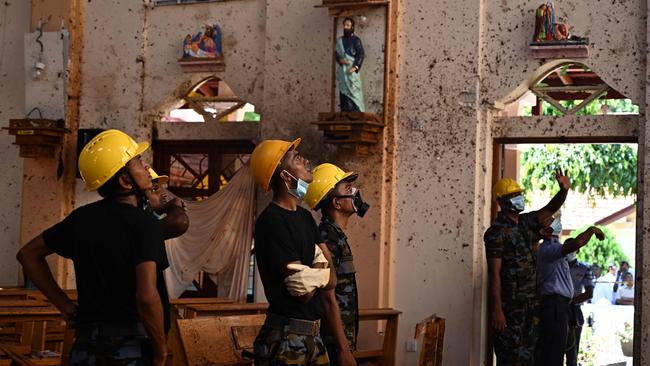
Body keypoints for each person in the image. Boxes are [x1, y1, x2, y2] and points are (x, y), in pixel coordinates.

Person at [16, 129, 169, 366]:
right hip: (130, 348)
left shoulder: (81, 218)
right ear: (125, 180)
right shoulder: (143, 223)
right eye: (137, 160)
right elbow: (147, 297)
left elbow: (28, 254)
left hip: (85, 348)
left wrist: (64, 305)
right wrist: (161, 352)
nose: (146, 165)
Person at [250, 138, 336, 366]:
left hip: (314, 337)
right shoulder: (271, 222)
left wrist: (316, 274)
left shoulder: (306, 218)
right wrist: (321, 268)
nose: (306, 160)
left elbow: (333, 279)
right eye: (297, 158)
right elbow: (303, 293)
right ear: (286, 177)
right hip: (286, 340)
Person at [484, 170, 570, 366]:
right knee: (511, 358)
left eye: (519, 194)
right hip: (510, 308)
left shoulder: (525, 223)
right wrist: (497, 309)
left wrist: (563, 191)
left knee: (531, 357)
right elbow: (494, 273)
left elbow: (550, 208)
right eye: (514, 196)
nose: (519, 198)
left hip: (531, 306)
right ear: (502, 201)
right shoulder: (496, 232)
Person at [305, 163, 371, 366]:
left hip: (340, 340)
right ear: (336, 203)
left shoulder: (336, 236)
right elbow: (327, 297)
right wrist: (343, 349)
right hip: (330, 343)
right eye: (346, 189)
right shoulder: (327, 238)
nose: (354, 192)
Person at [535, 218, 603, 366]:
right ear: (544, 231)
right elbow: (577, 243)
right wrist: (591, 230)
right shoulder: (549, 249)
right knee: (553, 353)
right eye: (550, 221)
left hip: (563, 307)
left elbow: (588, 292)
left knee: (562, 350)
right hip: (554, 306)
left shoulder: (555, 249)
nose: (555, 222)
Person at [565, 249, 594, 366]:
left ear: (578, 251)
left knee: (573, 349)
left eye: (573, 249)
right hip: (557, 308)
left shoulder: (584, 268)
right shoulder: (558, 266)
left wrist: (571, 302)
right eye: (568, 248)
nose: (570, 252)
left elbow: (589, 293)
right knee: (555, 348)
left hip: (574, 310)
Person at [145, 167, 189, 239]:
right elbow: (181, 221)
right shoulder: (137, 223)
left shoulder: (149, 218)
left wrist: (162, 210)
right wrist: (175, 207)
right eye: (154, 189)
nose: (165, 194)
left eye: (162, 188)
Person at [336, 17, 365, 112]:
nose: (345, 27)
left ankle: (356, 110)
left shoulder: (356, 40)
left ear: (352, 27)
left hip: (352, 71)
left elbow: (361, 54)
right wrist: (340, 60)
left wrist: (355, 67)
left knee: (354, 91)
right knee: (343, 91)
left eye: (348, 25)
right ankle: (345, 111)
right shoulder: (339, 40)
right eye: (344, 25)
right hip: (343, 71)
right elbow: (336, 53)